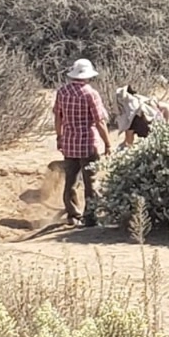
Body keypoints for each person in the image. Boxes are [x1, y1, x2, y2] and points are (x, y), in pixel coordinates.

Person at [54, 58, 112, 228]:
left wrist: (59, 136)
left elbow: (58, 117)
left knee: (70, 181)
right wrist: (108, 143)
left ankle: (73, 215)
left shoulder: (62, 92)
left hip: (69, 143)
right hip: (88, 143)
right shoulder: (90, 93)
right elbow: (99, 121)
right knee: (90, 182)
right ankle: (90, 217)